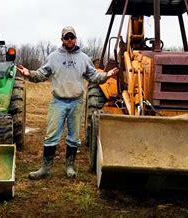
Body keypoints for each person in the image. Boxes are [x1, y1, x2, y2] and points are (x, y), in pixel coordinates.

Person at [16, 26, 118, 180]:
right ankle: (45, 168)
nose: (69, 40)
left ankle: (69, 166)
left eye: (72, 37)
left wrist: (107, 75)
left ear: (75, 39)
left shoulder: (84, 58)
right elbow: (42, 74)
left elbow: (94, 77)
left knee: (74, 137)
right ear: (62, 39)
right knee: (51, 136)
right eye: (66, 37)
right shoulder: (53, 57)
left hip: (76, 102)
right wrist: (29, 73)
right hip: (58, 101)